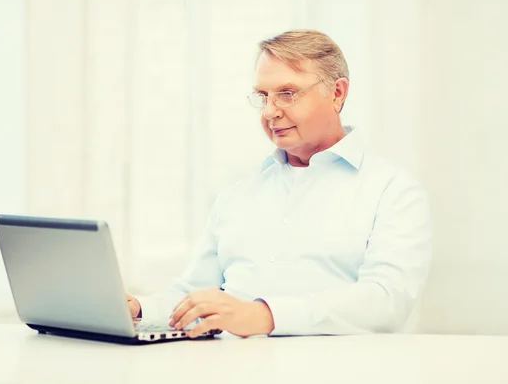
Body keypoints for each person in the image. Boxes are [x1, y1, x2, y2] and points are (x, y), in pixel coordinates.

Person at [127, 29, 432, 338]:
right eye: (263, 96)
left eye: (287, 93)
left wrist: (267, 316)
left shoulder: (393, 191)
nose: (271, 111)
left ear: (337, 94)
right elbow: (196, 293)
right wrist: (139, 308)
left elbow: (386, 301)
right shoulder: (237, 194)